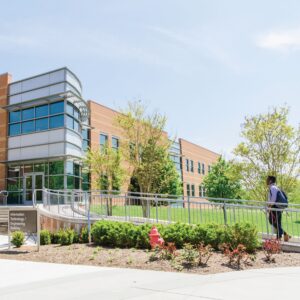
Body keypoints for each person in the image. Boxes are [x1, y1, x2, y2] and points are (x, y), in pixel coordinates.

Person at [267, 176, 290, 242]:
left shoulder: (273, 187)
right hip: (279, 207)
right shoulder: (276, 187)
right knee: (278, 223)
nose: (266, 180)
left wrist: (269, 206)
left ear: (270, 181)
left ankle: (285, 234)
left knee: (272, 221)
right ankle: (279, 238)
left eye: (267, 179)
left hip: (275, 207)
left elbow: (273, 198)